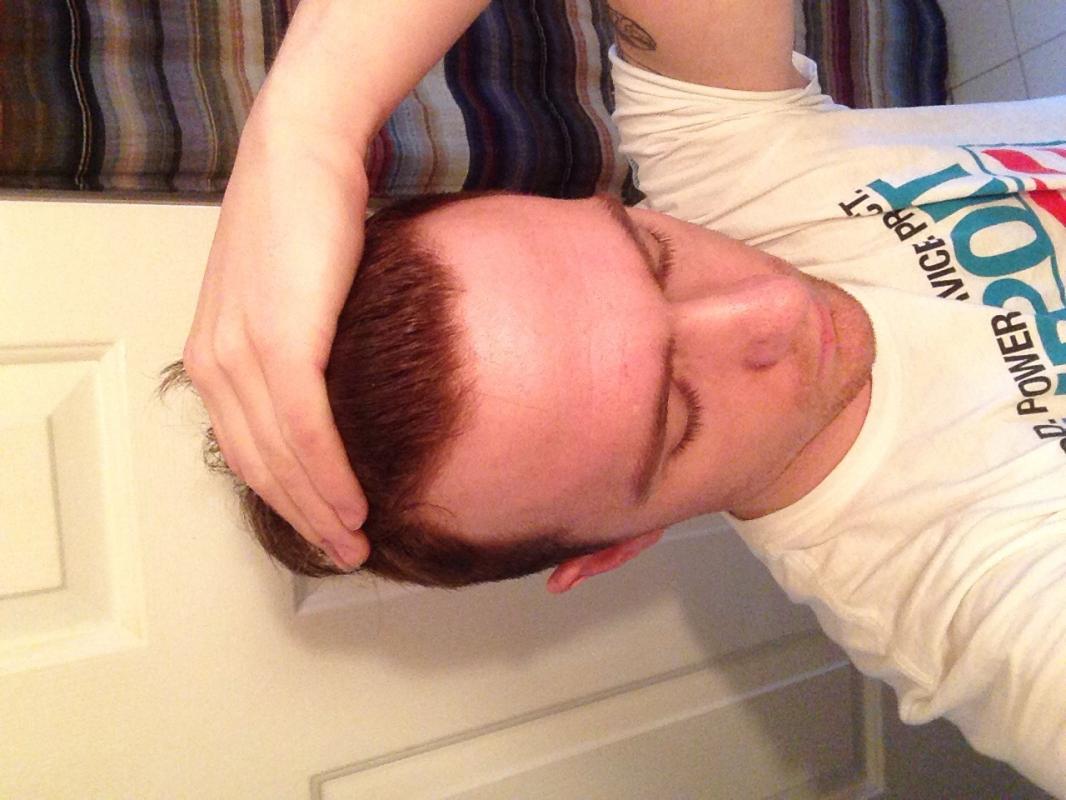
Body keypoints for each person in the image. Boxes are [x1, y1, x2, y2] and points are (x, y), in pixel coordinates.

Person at [179, 0, 1066, 792]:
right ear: (617, 548)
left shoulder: (725, 173)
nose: (774, 307)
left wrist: (305, 132)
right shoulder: (977, 608)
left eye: (655, 254)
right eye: (677, 418)